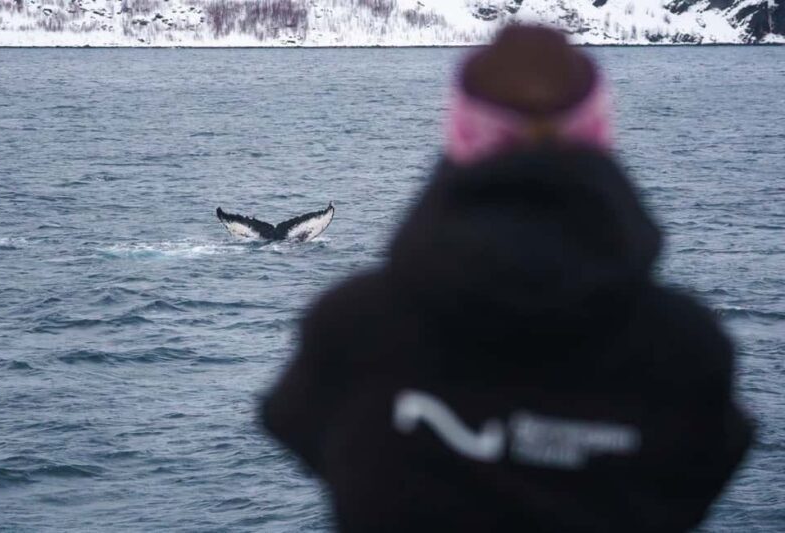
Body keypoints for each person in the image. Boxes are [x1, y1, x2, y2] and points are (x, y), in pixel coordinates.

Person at [261, 25, 752, 532]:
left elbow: (298, 427)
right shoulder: (684, 344)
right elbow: (705, 468)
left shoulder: (354, 323)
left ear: (460, 131)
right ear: (600, 130)